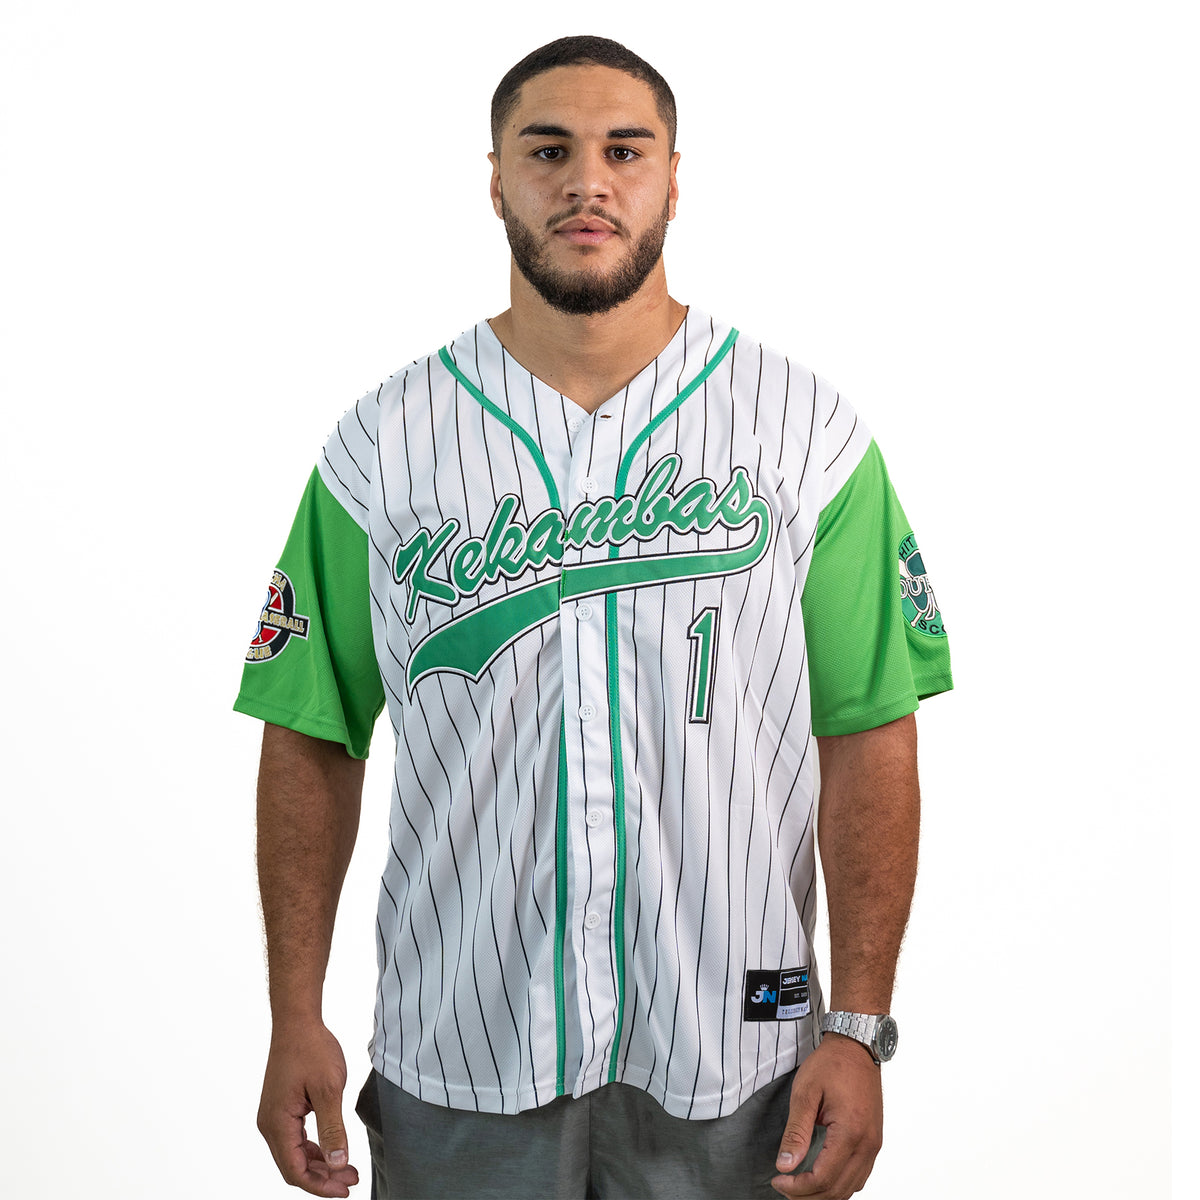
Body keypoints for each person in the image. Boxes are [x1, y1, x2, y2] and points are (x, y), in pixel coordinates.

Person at [235, 34, 952, 1200]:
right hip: (460, 1049)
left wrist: (859, 1026)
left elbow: (870, 732)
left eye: (625, 151)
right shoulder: (385, 444)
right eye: (548, 151)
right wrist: (294, 1013)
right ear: (495, 179)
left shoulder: (805, 432)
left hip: (745, 1052)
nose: (588, 182)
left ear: (673, 177)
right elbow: (312, 735)